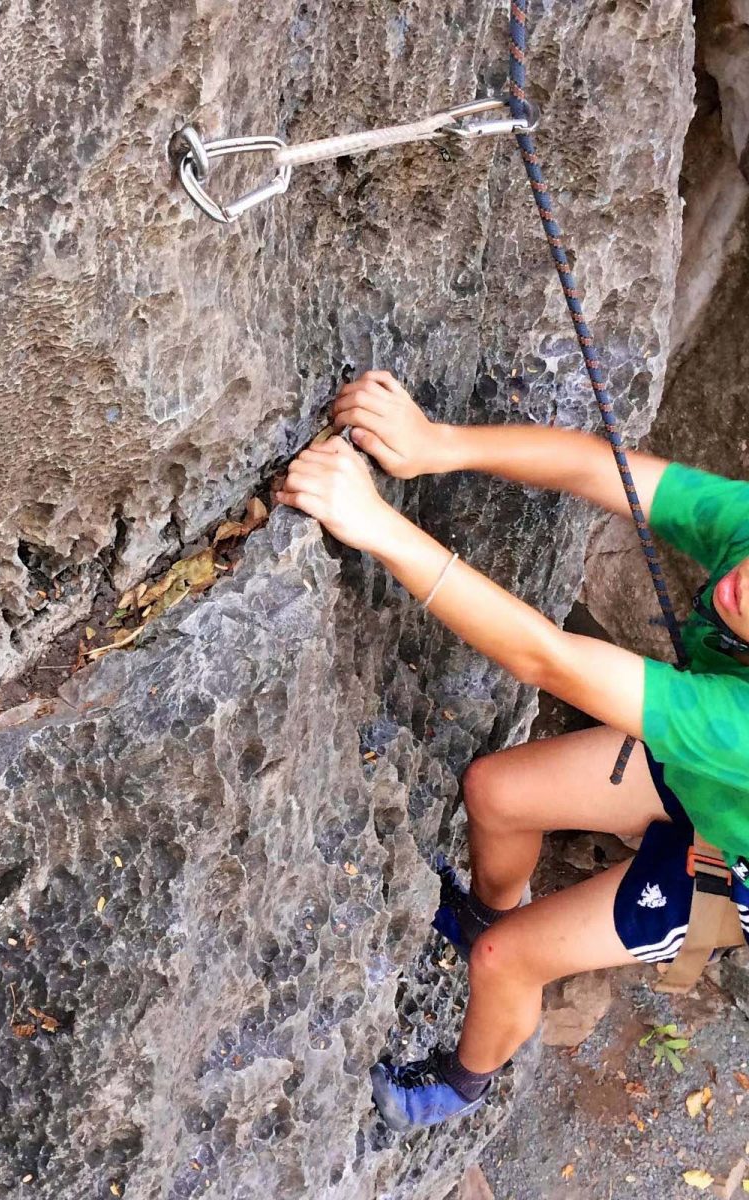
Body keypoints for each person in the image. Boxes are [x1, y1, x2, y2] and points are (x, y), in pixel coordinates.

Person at [274, 369, 749, 1131]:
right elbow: (604, 471)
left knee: (507, 965)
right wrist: (437, 445)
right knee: (496, 790)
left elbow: (550, 661)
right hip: (704, 773)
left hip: (726, 859)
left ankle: (466, 1080)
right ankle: (486, 915)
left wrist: (377, 524)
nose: (744, 586)